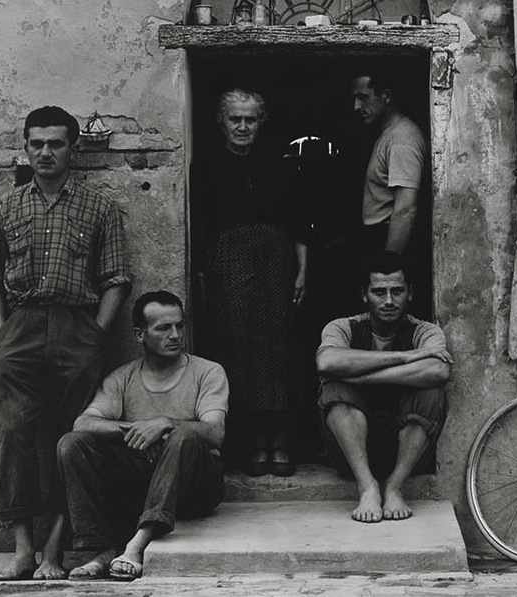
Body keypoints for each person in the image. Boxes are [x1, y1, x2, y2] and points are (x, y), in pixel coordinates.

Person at [0, 106, 131, 581]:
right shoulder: (6, 206)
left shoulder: (99, 206)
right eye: (36, 144)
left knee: (73, 439)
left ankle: (55, 551)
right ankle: (23, 550)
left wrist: (94, 336)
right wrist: (2, 333)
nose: (45, 152)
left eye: (56, 143)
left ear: (74, 148)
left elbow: (115, 279)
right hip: (21, 329)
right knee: (17, 435)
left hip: (76, 329)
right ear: (25, 148)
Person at [56, 291, 228, 581]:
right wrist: (138, 430)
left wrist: (164, 424)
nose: (175, 335)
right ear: (140, 335)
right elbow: (83, 424)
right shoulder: (122, 377)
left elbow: (215, 432)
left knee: (183, 435)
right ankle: (99, 549)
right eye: (163, 328)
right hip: (142, 484)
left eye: (180, 325)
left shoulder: (208, 372)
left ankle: (138, 544)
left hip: (197, 487)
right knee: (71, 445)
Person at [193, 87, 308, 477]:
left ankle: (282, 440)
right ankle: (254, 442)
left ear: (261, 123)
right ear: (221, 122)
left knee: (278, 349)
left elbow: (298, 219)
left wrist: (302, 270)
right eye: (234, 119)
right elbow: (201, 227)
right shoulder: (205, 164)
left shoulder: (280, 161)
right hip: (229, 262)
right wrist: (204, 279)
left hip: (276, 260)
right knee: (237, 347)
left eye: (250, 119)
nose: (242, 126)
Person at [316, 251, 452, 523]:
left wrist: (361, 375)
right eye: (379, 292)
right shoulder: (344, 327)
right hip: (350, 451)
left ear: (410, 292)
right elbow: (328, 362)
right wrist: (404, 357)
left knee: (432, 392)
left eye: (397, 291)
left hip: (407, 452)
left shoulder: (424, 331)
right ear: (364, 295)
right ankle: (367, 487)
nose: (389, 301)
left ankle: (394, 487)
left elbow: (438, 369)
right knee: (335, 389)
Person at [352, 71, 427, 257]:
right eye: (355, 98)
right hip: (379, 237)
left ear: (386, 96)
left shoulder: (402, 138)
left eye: (363, 97)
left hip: (388, 241)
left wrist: (390, 263)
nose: (356, 106)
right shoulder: (389, 134)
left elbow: (405, 210)